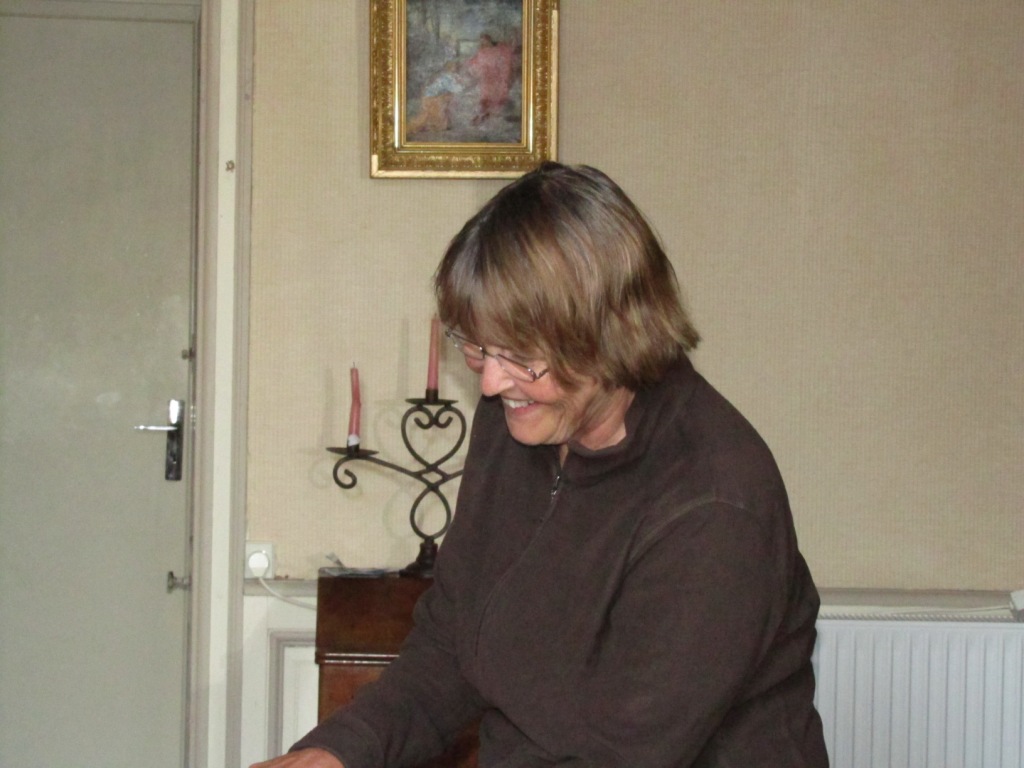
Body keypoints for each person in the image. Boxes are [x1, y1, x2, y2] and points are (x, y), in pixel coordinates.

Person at [254, 162, 829, 768]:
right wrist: (339, 752)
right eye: (476, 346)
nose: (492, 381)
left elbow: (620, 755)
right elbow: (453, 641)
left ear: (611, 332)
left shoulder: (713, 505)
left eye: (521, 356)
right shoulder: (522, 419)